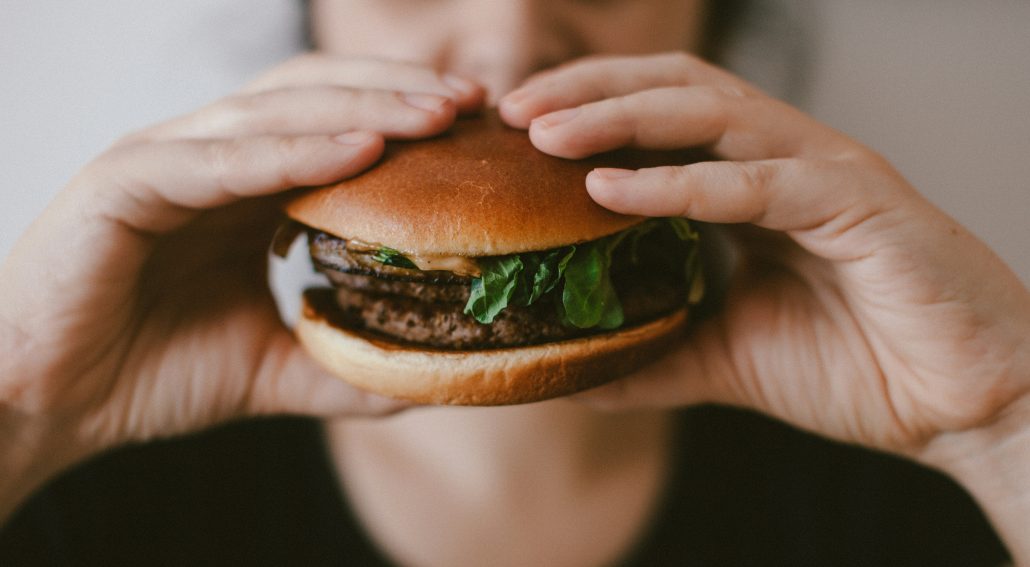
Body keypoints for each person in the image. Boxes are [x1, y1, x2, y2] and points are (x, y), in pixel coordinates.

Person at [1, 0, 1028, 565]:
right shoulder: (90, 488)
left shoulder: (909, 486)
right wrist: (23, 412)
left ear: (711, 25)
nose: (508, 40)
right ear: (312, 24)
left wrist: (1004, 428)